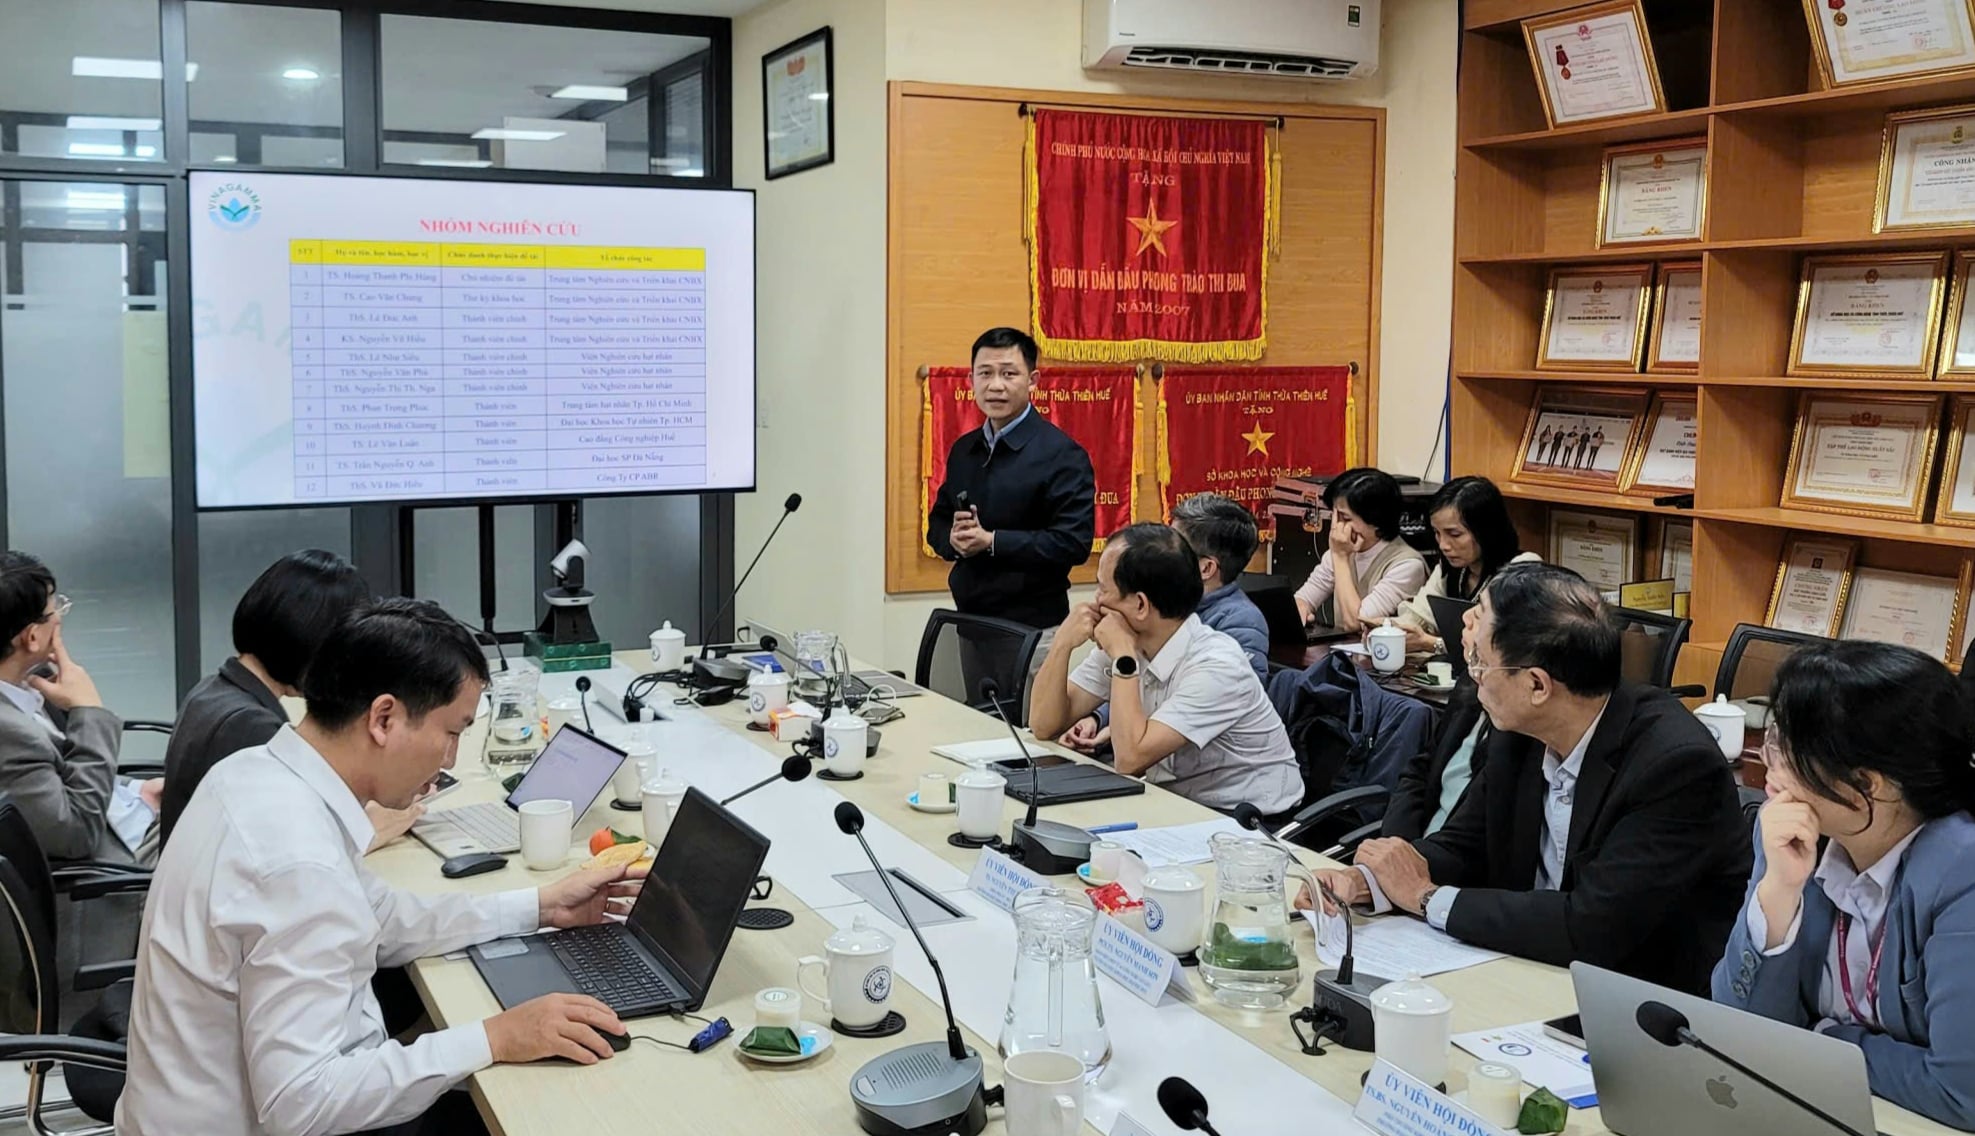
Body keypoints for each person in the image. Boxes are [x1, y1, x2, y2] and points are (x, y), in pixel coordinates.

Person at [119, 598, 639, 1136]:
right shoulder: (297, 861)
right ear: (384, 718)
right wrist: (496, 1036)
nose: (450, 759)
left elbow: (379, 917)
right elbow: (301, 1106)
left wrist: (541, 907)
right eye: (452, 733)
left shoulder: (254, 774)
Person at [1305, 563, 1751, 994]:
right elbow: (1465, 846)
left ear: (1537, 685)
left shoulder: (1675, 767)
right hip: (1526, 973)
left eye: (1480, 663)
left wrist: (1425, 897)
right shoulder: (1521, 732)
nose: (1473, 678)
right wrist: (1369, 883)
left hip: (1633, 1004)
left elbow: (1592, 925)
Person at [1713, 641, 1975, 1129]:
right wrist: (1779, 892)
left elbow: (1962, 1091)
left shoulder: (1963, 874)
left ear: (1867, 784)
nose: (1770, 761)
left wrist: (1821, 1040)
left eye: (1790, 748)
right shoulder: (1792, 832)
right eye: (1774, 737)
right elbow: (1738, 1031)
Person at [1030, 523, 1300, 816]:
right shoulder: (1128, 638)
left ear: (1140, 605)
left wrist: (1124, 658)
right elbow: (1044, 725)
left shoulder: (1217, 666)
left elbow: (1129, 760)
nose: (1096, 601)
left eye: (1103, 589)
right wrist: (1062, 643)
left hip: (1247, 819)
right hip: (1175, 802)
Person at [161, 549, 378, 846]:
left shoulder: (215, 690)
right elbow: (288, 846)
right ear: (313, 640)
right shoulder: (249, 727)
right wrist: (372, 828)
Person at [1059, 493, 1269, 755]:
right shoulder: (1150, 616)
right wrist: (1098, 717)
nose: (1161, 549)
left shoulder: (1239, 626)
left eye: (1175, 545)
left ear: (1205, 568)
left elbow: (1193, 702)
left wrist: (1115, 726)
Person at [926, 327, 1096, 629]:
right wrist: (953, 539)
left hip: (1035, 626)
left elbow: (1072, 543)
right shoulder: (964, 449)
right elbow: (938, 523)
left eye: (1008, 374)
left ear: (1032, 380)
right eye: (985, 373)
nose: (995, 386)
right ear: (971, 380)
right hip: (970, 619)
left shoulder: (1062, 454)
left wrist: (992, 542)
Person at [0, 551, 130, 862]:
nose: (59, 617)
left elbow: (59, 774)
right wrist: (89, 711)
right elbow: (75, 834)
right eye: (55, 608)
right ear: (32, 636)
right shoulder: (8, 733)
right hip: (112, 870)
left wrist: (134, 791)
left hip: (122, 818)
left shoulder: (30, 683)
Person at [1393, 477, 1538, 656]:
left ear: (1486, 531)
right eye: (1437, 533)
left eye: (1454, 534)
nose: (1443, 545)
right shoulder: (1451, 568)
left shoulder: (1522, 570)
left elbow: (1502, 648)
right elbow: (1419, 615)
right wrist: (1391, 629)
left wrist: (1432, 644)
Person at [1292, 468, 1427, 634]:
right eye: (1333, 514)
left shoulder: (1407, 566)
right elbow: (1303, 598)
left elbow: (1355, 623)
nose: (1335, 525)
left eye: (1344, 518)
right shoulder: (1341, 551)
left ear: (1376, 522)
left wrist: (1340, 557)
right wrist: (1301, 608)